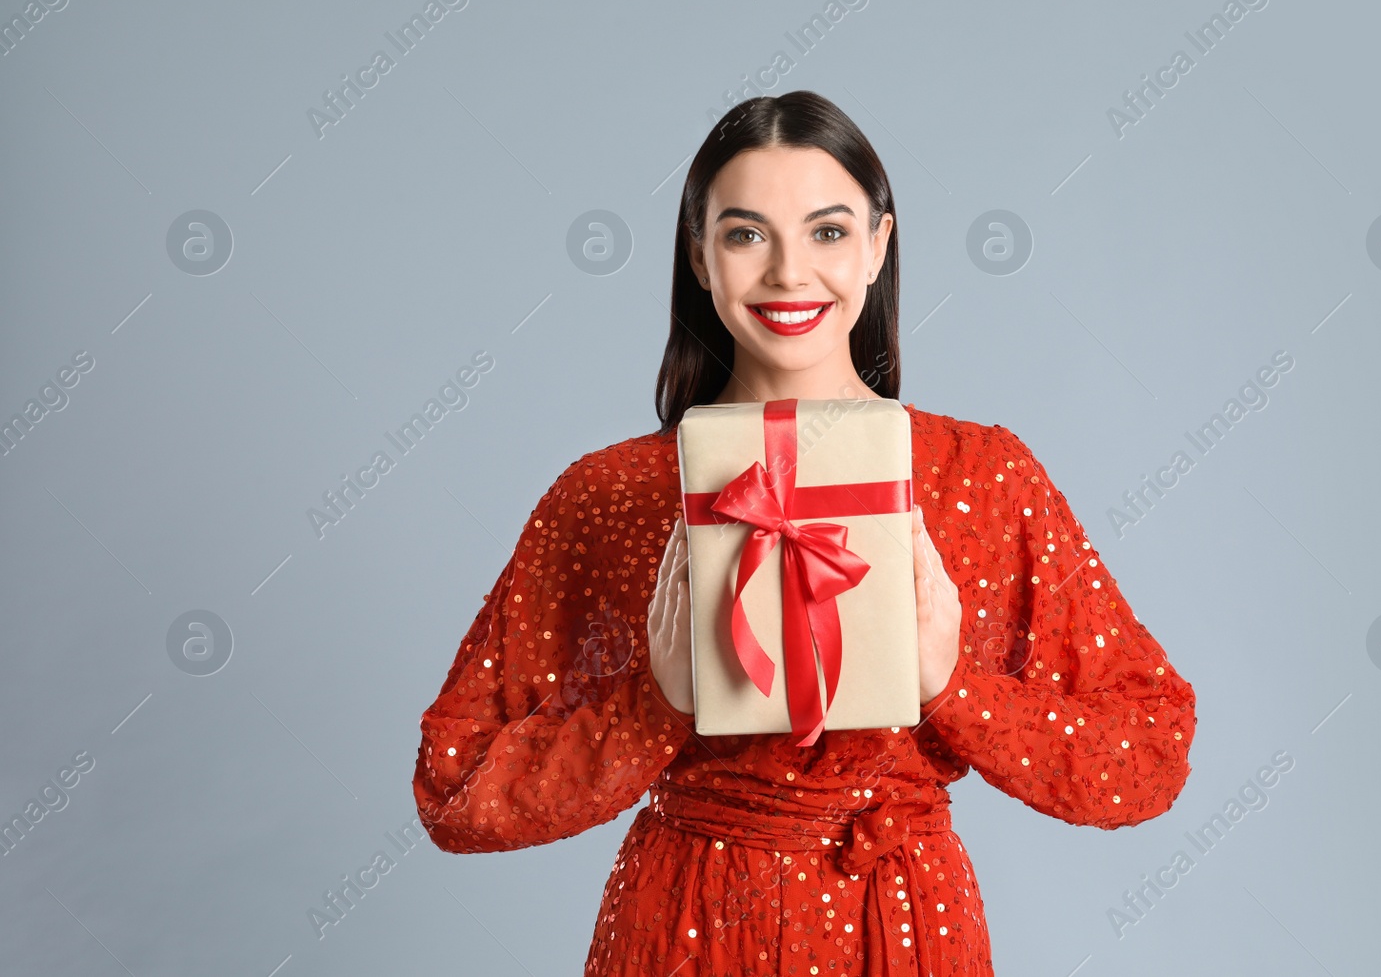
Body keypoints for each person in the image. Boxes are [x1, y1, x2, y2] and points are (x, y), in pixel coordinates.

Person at [412, 90, 1197, 975]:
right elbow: (454, 786)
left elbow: (1150, 753)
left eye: (827, 232)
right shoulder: (611, 494)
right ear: (700, 257)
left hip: (906, 930)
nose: (789, 273)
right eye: (746, 234)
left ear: (877, 248)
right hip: (684, 929)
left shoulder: (981, 474)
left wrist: (951, 684)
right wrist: (653, 703)